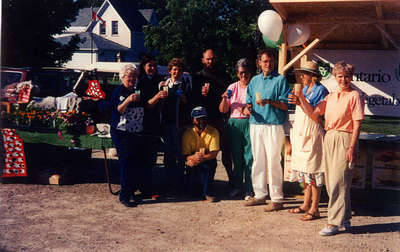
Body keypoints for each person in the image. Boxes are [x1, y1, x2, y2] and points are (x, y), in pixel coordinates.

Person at [294, 61, 364, 236]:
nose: (343, 79)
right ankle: (345, 218)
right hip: (329, 137)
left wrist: (351, 147)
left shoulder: (354, 95)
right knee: (333, 180)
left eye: (347, 76)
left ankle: (333, 222)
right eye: (340, 76)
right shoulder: (331, 96)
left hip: (345, 138)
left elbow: (357, 124)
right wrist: (301, 98)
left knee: (339, 181)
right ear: (335, 77)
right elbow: (313, 114)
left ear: (351, 77)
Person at [243, 49, 290, 212]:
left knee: (274, 161)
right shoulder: (254, 81)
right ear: (259, 63)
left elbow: (286, 105)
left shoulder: (281, 80)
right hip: (256, 124)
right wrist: (248, 108)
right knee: (258, 160)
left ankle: (277, 199)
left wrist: (269, 101)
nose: (268, 64)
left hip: (273, 125)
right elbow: (247, 103)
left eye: (270, 61)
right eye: (264, 61)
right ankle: (260, 194)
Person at [287, 61, 329, 221]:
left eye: (304, 73)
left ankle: (315, 208)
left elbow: (314, 115)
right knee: (304, 171)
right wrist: (297, 101)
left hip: (312, 134)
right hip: (301, 133)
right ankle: (305, 203)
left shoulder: (321, 90)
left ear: (313, 76)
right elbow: (302, 107)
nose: (302, 76)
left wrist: (300, 99)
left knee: (314, 170)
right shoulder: (304, 89)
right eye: (302, 73)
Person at [194, 49, 233, 183]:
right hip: (204, 121)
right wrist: (202, 95)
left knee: (226, 152)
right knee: (204, 152)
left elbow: (230, 94)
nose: (210, 61)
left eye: (212, 59)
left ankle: (232, 181)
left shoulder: (223, 75)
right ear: (203, 60)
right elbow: (193, 101)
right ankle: (205, 184)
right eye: (207, 59)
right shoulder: (198, 76)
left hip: (221, 119)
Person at [108, 64, 144, 207]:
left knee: (134, 161)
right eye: (129, 76)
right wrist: (128, 100)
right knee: (126, 162)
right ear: (122, 77)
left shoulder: (136, 90)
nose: (132, 79)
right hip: (121, 131)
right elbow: (118, 110)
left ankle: (131, 191)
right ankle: (124, 196)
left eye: (134, 76)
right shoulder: (119, 90)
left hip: (135, 130)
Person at [219, 58, 254, 200]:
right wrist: (223, 99)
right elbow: (222, 110)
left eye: (245, 73)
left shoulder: (254, 85)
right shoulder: (232, 87)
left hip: (250, 123)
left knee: (250, 157)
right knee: (237, 157)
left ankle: (250, 189)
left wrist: (245, 108)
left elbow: (254, 107)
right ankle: (237, 186)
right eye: (240, 73)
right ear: (237, 73)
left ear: (250, 73)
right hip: (234, 124)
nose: (243, 76)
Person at [159, 58, 192, 194]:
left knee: (179, 154)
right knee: (168, 155)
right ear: (170, 71)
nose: (176, 72)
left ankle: (180, 184)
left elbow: (190, 102)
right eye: (174, 70)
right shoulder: (164, 84)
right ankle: (168, 183)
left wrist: (184, 99)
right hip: (167, 124)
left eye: (179, 70)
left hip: (180, 125)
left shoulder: (185, 84)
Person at [138, 54, 165, 198]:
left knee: (152, 159)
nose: (153, 68)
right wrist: (158, 96)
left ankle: (149, 187)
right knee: (144, 159)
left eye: (154, 65)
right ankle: (144, 189)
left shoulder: (158, 81)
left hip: (155, 124)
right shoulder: (141, 82)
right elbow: (145, 105)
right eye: (150, 65)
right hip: (144, 125)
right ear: (144, 67)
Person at [182, 106, 220, 202]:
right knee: (189, 166)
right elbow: (185, 155)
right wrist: (193, 158)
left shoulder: (213, 131)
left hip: (207, 159)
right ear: (193, 120)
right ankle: (193, 190)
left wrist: (200, 158)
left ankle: (208, 193)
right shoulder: (187, 133)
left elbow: (214, 153)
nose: (201, 121)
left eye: (203, 118)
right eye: (198, 119)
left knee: (208, 166)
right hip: (192, 160)